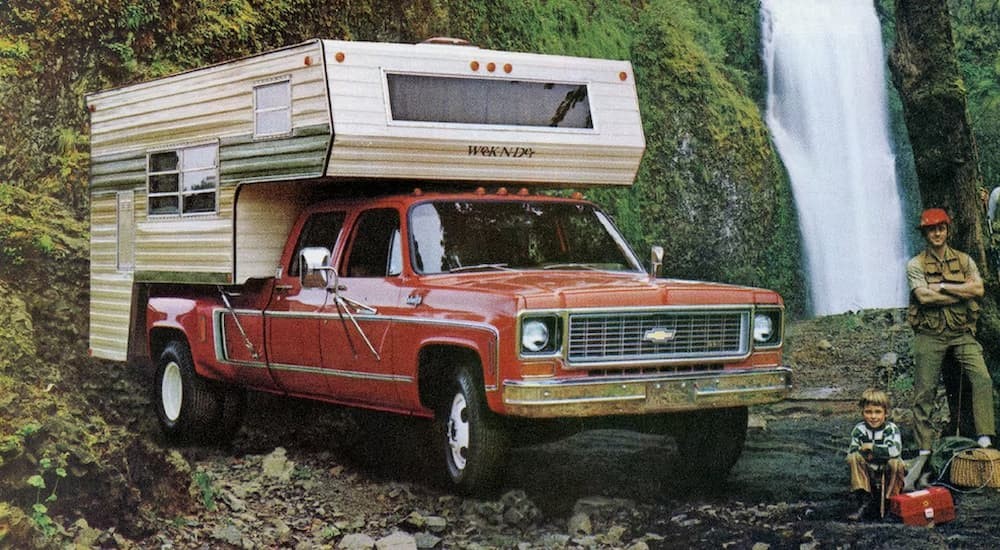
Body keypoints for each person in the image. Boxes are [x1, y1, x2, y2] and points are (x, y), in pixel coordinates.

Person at [906, 208, 996, 475]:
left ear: (948, 230)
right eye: (932, 229)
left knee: (982, 378)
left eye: (941, 228)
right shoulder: (915, 265)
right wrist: (962, 293)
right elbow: (923, 297)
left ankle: (985, 438)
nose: (937, 233)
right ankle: (924, 448)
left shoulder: (965, 260)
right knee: (924, 391)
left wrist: (944, 287)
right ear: (925, 233)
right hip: (929, 334)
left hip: (961, 333)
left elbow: (978, 290)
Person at [846, 388, 906, 521]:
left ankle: (892, 502)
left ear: (886, 413)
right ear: (862, 413)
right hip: (867, 469)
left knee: (896, 462)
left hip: (886, 469)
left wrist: (872, 448)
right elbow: (853, 449)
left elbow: (895, 450)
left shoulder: (890, 429)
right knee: (853, 457)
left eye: (878, 412)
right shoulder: (859, 430)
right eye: (868, 412)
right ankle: (863, 499)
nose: (873, 417)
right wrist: (868, 453)